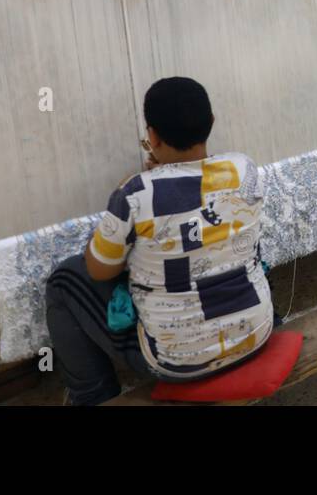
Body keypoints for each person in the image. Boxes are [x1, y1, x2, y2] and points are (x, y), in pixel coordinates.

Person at [45, 77, 273, 405]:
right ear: (210, 123)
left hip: (177, 363)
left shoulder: (136, 194)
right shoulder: (244, 170)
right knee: (233, 242)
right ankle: (255, 319)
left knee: (64, 280)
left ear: (152, 136)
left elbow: (99, 271)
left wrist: (128, 193)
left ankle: (92, 397)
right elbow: (199, 194)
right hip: (256, 335)